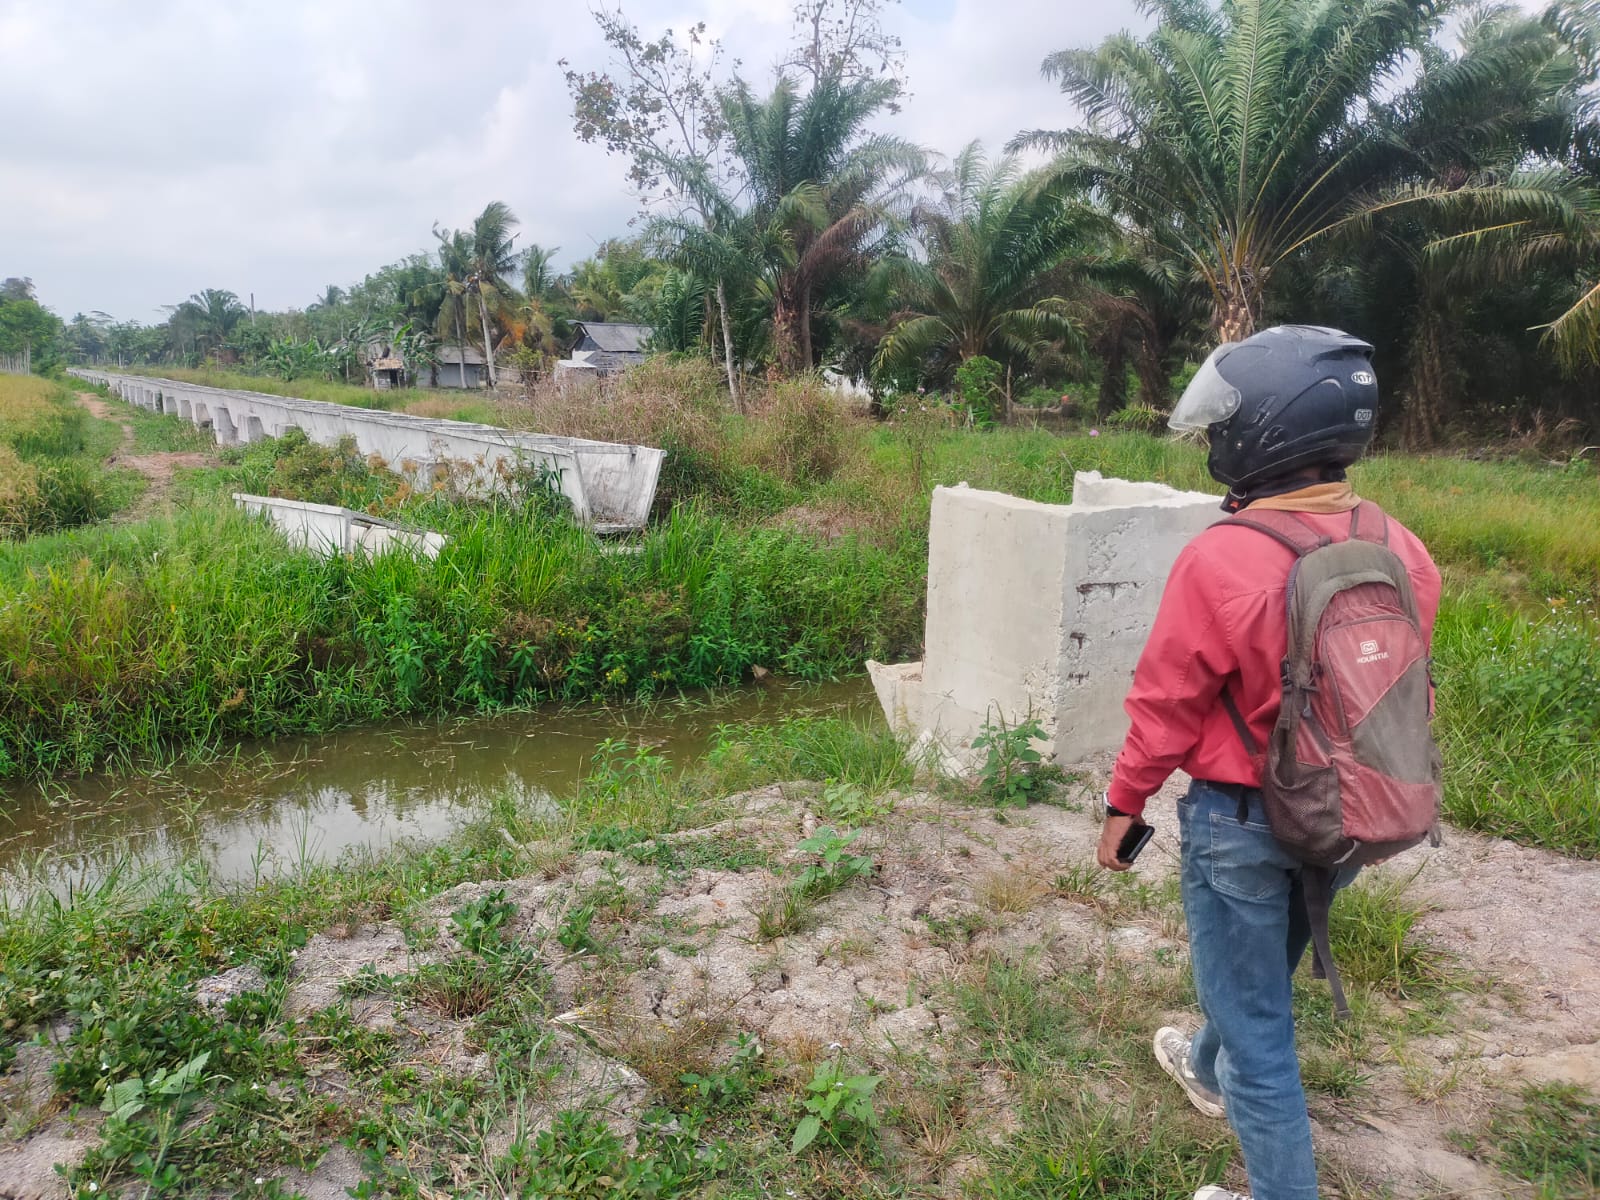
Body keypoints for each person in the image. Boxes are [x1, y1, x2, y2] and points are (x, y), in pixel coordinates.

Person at [1094, 325, 1442, 1200]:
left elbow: (1167, 705)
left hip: (1241, 822)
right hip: (1345, 816)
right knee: (1258, 974)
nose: (1216, 441)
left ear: (1266, 432)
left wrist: (1122, 805)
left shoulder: (1223, 555)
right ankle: (1204, 1067)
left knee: (1261, 1036)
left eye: (1225, 426)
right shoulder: (1402, 547)